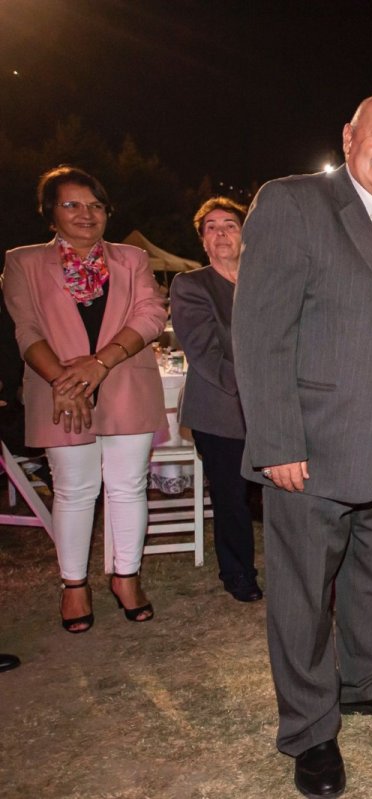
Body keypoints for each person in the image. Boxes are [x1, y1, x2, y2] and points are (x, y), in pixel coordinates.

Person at [233, 94, 372, 799]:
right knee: (302, 592)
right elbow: (260, 332)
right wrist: (277, 440)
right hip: (314, 442)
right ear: (349, 137)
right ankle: (309, 729)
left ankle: (365, 681)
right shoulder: (294, 204)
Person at [3, 166, 166, 634]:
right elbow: (26, 329)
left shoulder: (132, 258)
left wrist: (99, 364)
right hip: (59, 391)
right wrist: (66, 382)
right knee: (74, 491)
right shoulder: (23, 261)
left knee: (129, 486)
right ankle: (73, 584)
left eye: (95, 205)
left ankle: (126, 576)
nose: (86, 214)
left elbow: (150, 314)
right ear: (50, 212)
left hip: (126, 382)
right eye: (71, 204)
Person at [169, 197, 261, 602]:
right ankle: (237, 572)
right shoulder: (192, 285)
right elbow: (204, 352)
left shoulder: (265, 281)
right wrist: (263, 387)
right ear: (203, 241)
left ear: (245, 234)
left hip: (273, 409)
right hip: (221, 410)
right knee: (231, 497)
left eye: (230, 225)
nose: (221, 233)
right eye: (211, 227)